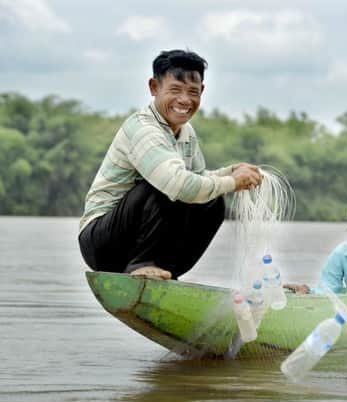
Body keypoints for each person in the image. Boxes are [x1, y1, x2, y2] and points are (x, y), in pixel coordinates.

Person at [78, 49, 263, 280]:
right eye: (175, 90)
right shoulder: (144, 129)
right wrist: (232, 182)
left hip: (135, 240)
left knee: (212, 203)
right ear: (154, 88)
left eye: (193, 92)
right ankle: (141, 264)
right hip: (101, 243)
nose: (184, 100)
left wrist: (231, 172)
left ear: (202, 92)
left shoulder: (185, 131)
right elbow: (178, 185)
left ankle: (166, 270)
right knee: (163, 187)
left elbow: (199, 177)